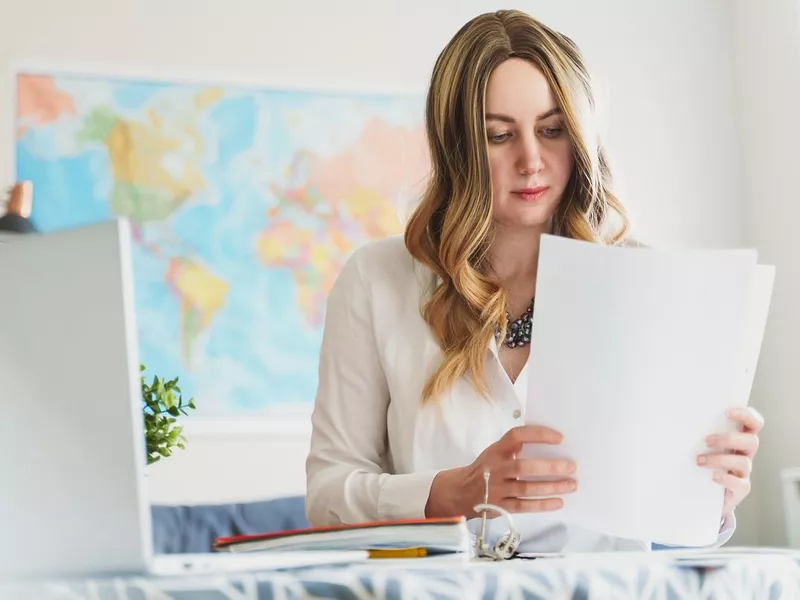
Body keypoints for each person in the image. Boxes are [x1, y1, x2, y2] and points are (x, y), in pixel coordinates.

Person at [305, 9, 764, 552]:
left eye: (552, 131)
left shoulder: (648, 284)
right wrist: (448, 493)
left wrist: (713, 494)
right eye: (498, 136)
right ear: (458, 148)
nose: (531, 161)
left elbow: (680, 532)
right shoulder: (376, 280)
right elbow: (327, 497)